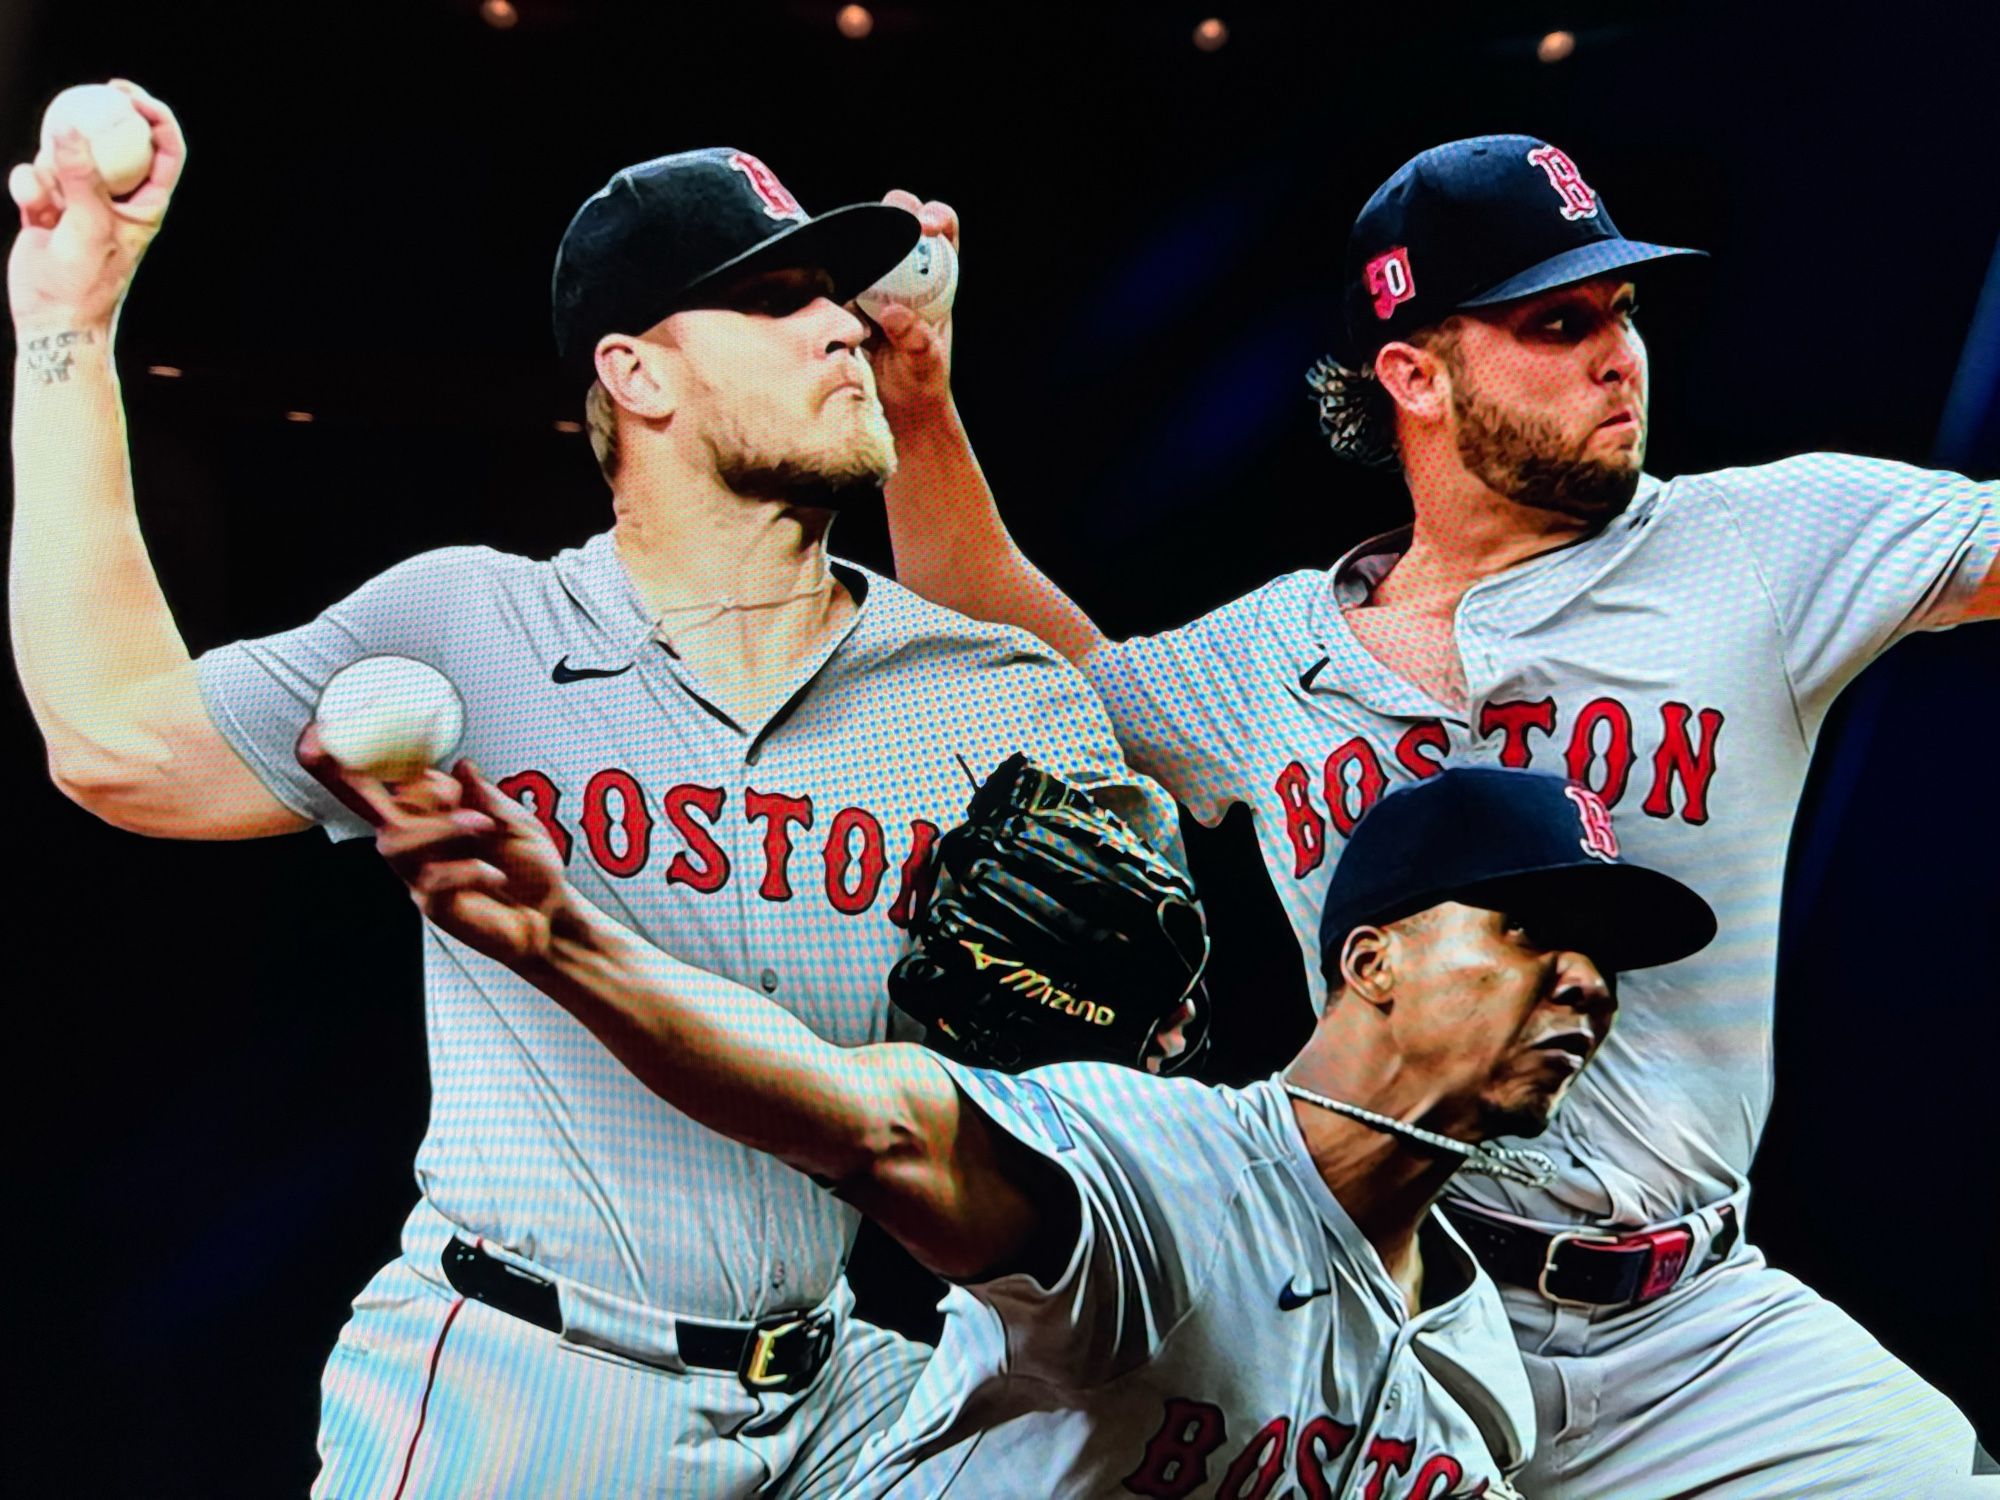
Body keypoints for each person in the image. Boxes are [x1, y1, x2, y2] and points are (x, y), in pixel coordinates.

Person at [8, 82, 1180, 1497]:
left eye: (841, 295)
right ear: (640, 376)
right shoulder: (469, 631)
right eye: (778, 298)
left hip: (838, 1391)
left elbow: (1138, 1048)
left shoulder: (985, 694)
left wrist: (1141, 1029)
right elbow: (116, 746)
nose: (842, 326)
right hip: (526, 1380)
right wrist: (68, 329)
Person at [863, 136, 2000, 1493]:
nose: (1617, 355)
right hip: (1371, 1310)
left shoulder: (1757, 548)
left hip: (1690, 1325)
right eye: (1557, 323)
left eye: (1622, 316)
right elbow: (1008, 658)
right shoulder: (1270, 660)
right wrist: (917, 409)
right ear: (1413, 370)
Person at [305, 741, 1719, 1499]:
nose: (1586, 979)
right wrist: (568, 942)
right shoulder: (1170, 1174)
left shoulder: (1473, 1367)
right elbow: (870, 1127)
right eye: (1532, 930)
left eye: (1606, 955)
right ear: (1371, 961)